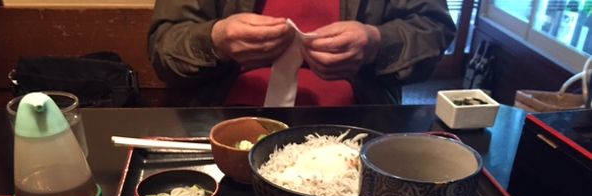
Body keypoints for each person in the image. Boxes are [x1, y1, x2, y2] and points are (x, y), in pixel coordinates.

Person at [147, 0, 456, 106]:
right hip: (223, 127)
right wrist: (215, 40)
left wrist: (377, 42)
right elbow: (163, 47)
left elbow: (434, 30)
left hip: (357, 129)